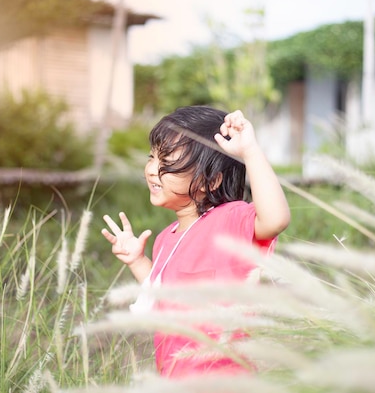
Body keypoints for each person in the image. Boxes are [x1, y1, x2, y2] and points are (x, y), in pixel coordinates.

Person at [101, 106, 290, 378]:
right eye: (152, 157)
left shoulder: (230, 220)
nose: (153, 170)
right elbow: (162, 297)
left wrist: (250, 152)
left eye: (167, 163)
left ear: (211, 181)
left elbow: (275, 219)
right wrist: (138, 261)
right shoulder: (167, 238)